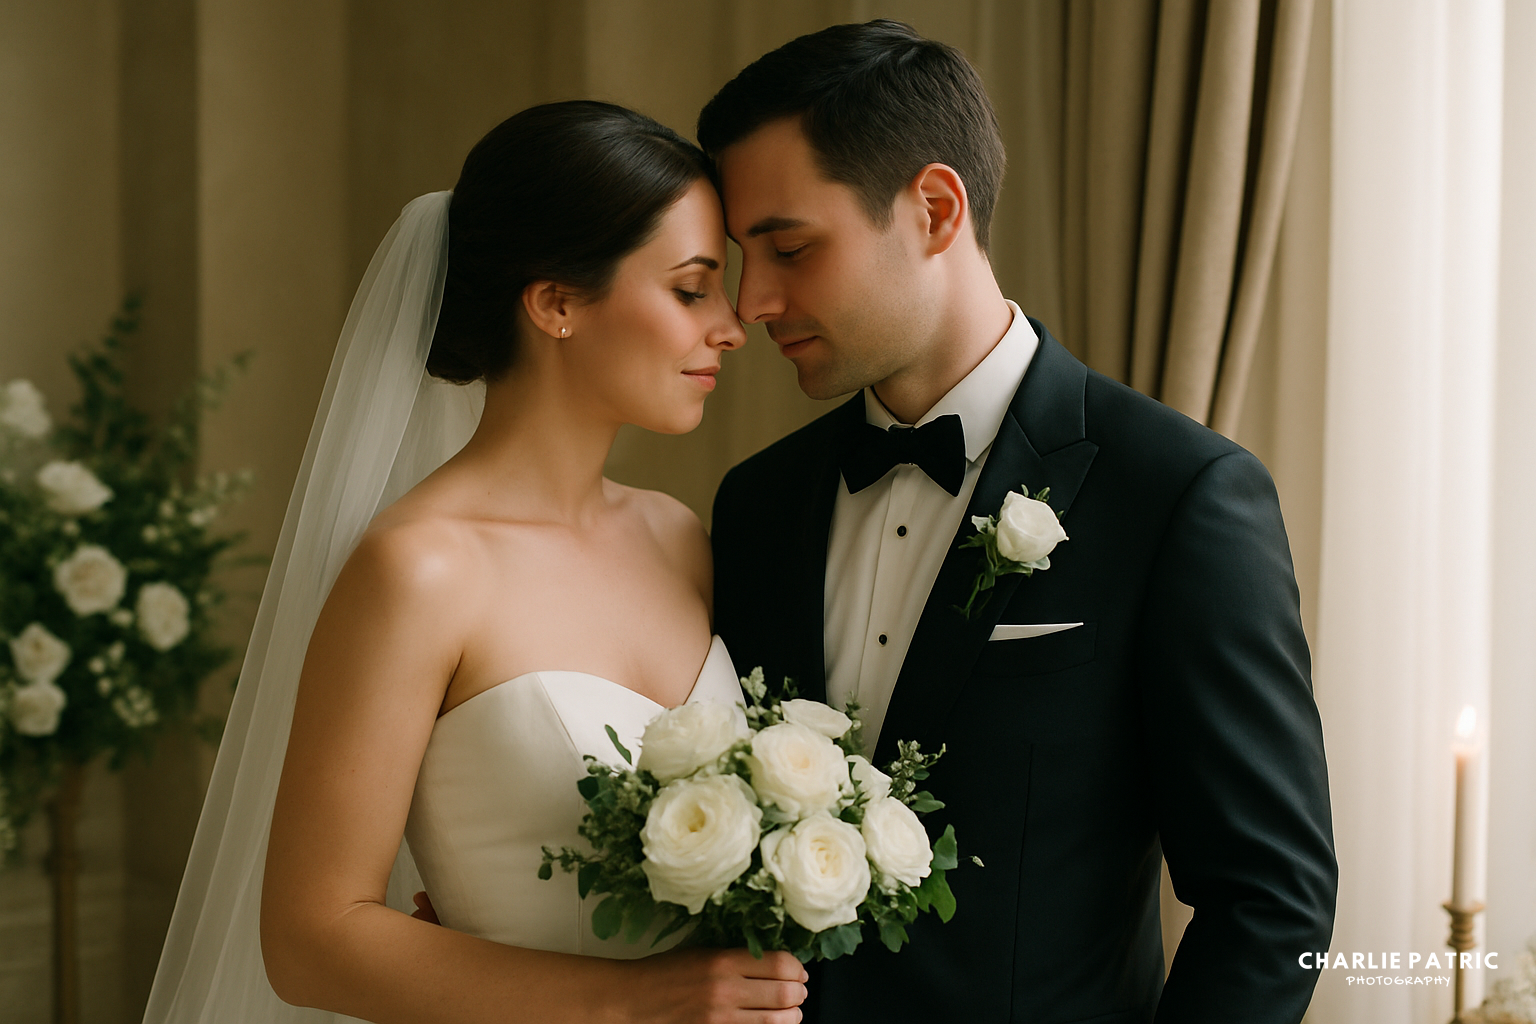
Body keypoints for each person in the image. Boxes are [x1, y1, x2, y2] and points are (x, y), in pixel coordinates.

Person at [701, 20, 1338, 1024]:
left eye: (787, 247)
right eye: (742, 257)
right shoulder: (755, 503)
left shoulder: (1180, 494)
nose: (755, 301)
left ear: (936, 209)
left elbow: (1273, 902)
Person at [143, 101, 808, 1024]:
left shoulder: (678, 537)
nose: (732, 327)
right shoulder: (419, 571)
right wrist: (636, 1001)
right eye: (693, 290)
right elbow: (311, 941)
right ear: (557, 304)